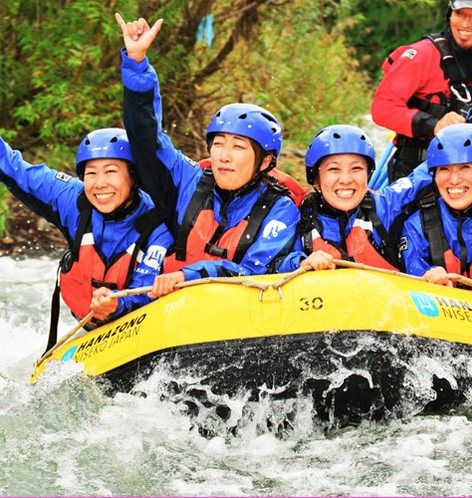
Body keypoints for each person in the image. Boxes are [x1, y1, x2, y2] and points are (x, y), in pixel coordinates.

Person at [115, 14, 300, 298]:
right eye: (219, 144)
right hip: (173, 314)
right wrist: (136, 64)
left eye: (238, 147)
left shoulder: (280, 209)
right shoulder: (188, 181)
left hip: (238, 313)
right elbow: (145, 137)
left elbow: (256, 273)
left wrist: (189, 275)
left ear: (264, 162)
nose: (224, 156)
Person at [0, 128, 173, 329]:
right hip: (87, 325)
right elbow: (12, 167)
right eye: (91, 173)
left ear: (134, 177)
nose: (99, 184)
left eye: (111, 171)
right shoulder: (71, 197)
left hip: (136, 323)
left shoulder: (159, 221)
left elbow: (147, 287)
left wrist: (116, 303)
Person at [277, 124, 434, 273]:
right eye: (334, 169)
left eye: (356, 168)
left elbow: (425, 175)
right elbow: (274, 262)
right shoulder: (298, 217)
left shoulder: (384, 205)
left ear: (368, 175)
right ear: (316, 180)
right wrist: (300, 263)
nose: (346, 180)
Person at [371, 0, 472, 183]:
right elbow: (382, 108)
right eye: (460, 13)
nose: (465, 23)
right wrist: (434, 124)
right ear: (450, 15)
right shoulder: (423, 55)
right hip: (415, 175)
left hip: (470, 181)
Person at [400, 122, 472, 291]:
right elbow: (412, 265)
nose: (453, 180)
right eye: (444, 169)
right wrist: (427, 273)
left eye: (465, 167)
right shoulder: (417, 225)